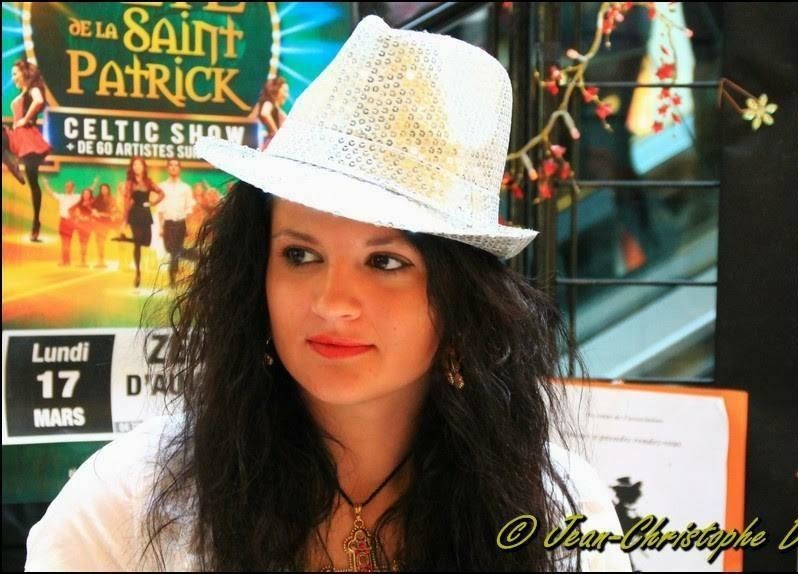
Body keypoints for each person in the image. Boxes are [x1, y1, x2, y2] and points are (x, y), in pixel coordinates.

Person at [25, 17, 630, 572]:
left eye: (386, 262)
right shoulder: (128, 506)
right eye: (300, 255)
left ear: (462, 299)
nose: (332, 302)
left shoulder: (558, 511)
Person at [3, 59, 52, 242]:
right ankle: (12, 165)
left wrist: (25, 119)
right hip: (17, 137)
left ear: (25, 73)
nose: (13, 77)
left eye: (15, 73)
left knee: (33, 182)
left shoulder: (33, 89)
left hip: (29, 139)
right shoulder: (22, 93)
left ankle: (36, 222)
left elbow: (39, 101)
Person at [122, 156, 165, 288]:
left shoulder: (148, 182)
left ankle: (132, 240)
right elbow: (126, 203)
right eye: (134, 165)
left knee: (146, 241)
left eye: (139, 165)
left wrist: (153, 202)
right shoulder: (129, 183)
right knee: (138, 243)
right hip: (134, 213)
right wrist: (124, 221)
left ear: (143, 167)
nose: (137, 167)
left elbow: (162, 193)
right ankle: (138, 272)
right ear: (132, 167)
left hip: (145, 213)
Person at [157, 158, 195, 287]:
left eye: (176, 165)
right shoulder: (162, 186)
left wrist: (188, 226)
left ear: (180, 169)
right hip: (167, 224)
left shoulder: (186, 188)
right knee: (170, 249)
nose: (173, 167)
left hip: (180, 223)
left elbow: (189, 208)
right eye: (171, 165)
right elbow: (160, 208)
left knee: (174, 250)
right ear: (167, 168)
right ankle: (194, 255)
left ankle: (172, 278)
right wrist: (160, 226)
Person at [91, 182, 120, 268]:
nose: (104, 190)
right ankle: (101, 261)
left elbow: (115, 210)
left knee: (109, 241)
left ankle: (120, 260)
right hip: (98, 223)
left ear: (108, 190)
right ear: (100, 190)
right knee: (99, 242)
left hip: (109, 223)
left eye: (105, 189)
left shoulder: (112, 199)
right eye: (102, 189)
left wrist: (112, 214)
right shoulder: (96, 199)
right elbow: (92, 209)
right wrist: (95, 212)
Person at [257, 75, 289, 150]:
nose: (286, 95)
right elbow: (264, 113)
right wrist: (276, 132)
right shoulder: (269, 103)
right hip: (272, 144)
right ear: (276, 89)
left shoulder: (276, 107)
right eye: (285, 91)